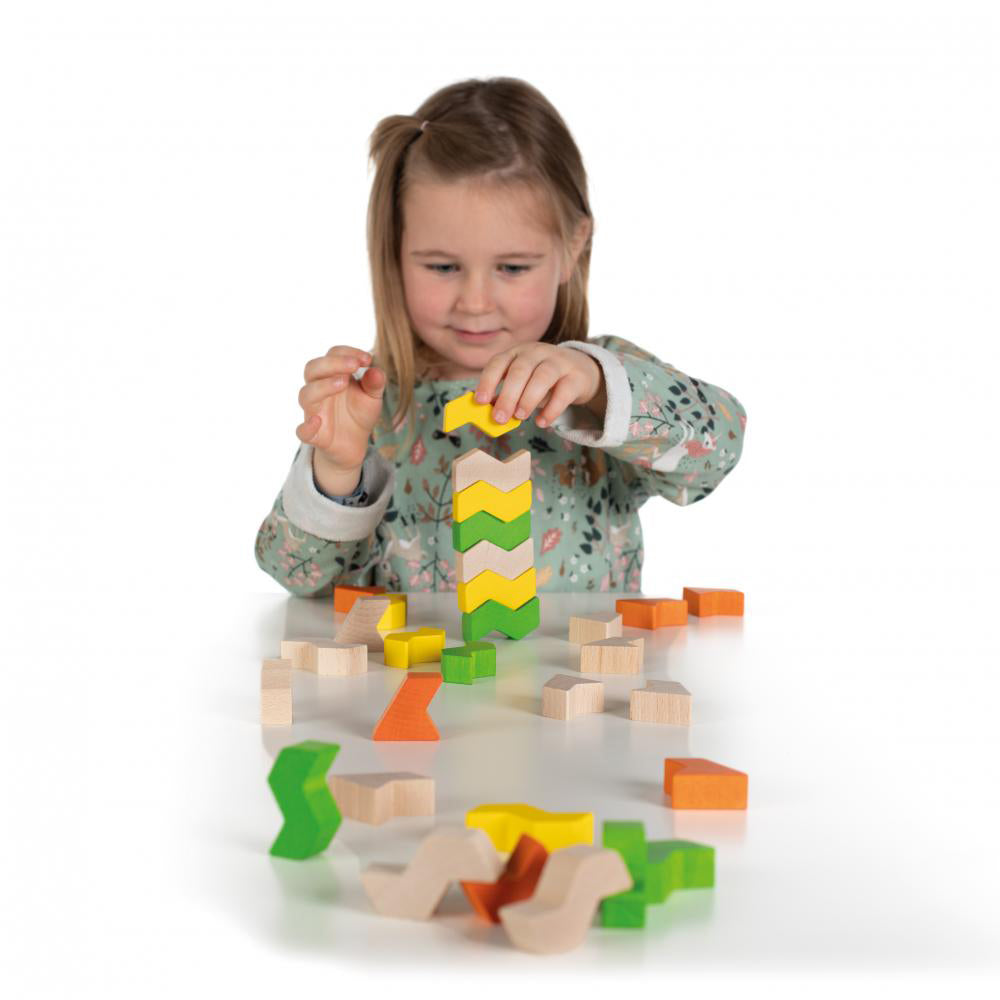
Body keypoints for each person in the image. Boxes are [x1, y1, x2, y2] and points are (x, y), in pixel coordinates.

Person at [255, 77, 747, 597]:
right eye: (443, 266)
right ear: (394, 252)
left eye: (512, 267)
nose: (475, 301)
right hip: (419, 679)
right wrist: (337, 469)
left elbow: (717, 452)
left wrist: (596, 385)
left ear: (573, 246)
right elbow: (295, 576)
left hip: (578, 676)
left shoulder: (602, 386)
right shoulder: (373, 405)